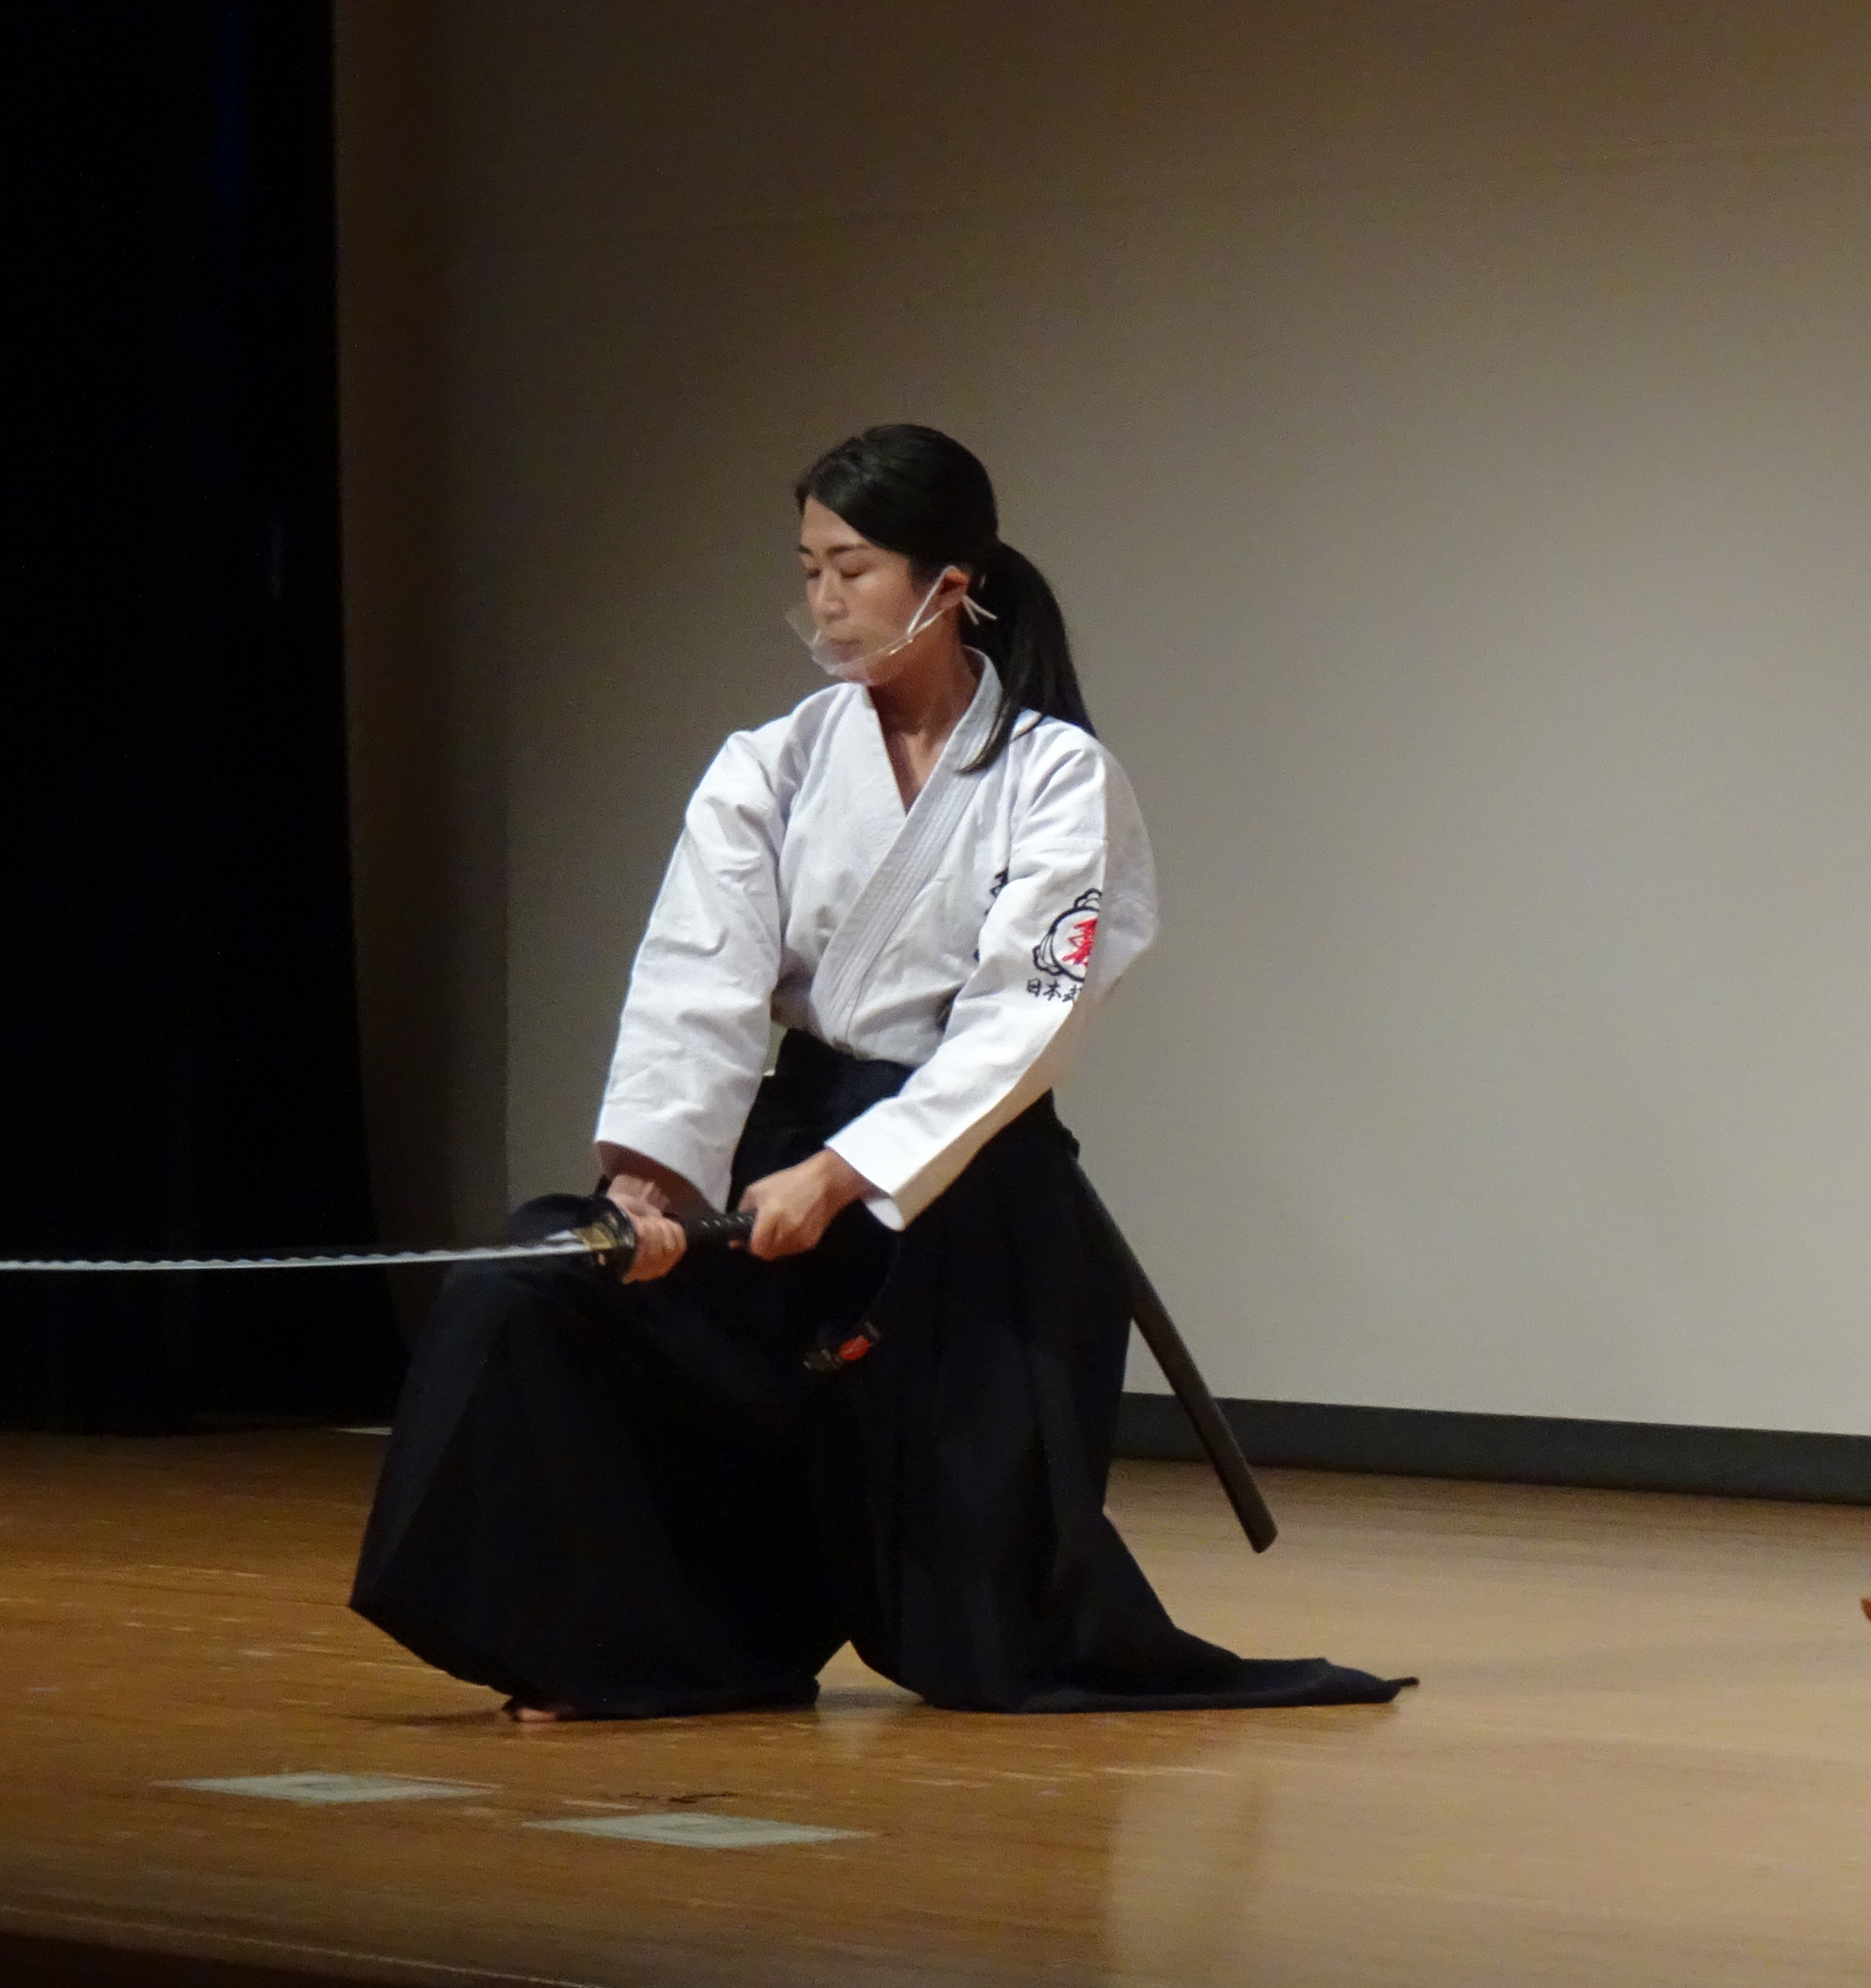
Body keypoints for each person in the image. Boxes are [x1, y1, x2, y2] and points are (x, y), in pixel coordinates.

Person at [353, 424, 1402, 1721]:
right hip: (782, 1147)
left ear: (948, 586)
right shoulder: (775, 762)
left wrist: (850, 1174)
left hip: (966, 1185)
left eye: (853, 569)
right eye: (809, 571)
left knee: (985, 1637)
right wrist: (649, 1185)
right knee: (534, 1287)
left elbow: (1026, 1021)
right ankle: (648, 1652)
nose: (826, 600)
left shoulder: (1056, 776)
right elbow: (698, 978)